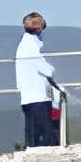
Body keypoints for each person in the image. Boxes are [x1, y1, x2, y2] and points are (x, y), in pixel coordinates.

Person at [15, 12, 62, 150]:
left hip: (29, 96)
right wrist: (51, 68)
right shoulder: (30, 46)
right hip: (37, 97)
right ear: (39, 29)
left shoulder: (25, 45)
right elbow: (46, 70)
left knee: (33, 133)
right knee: (44, 134)